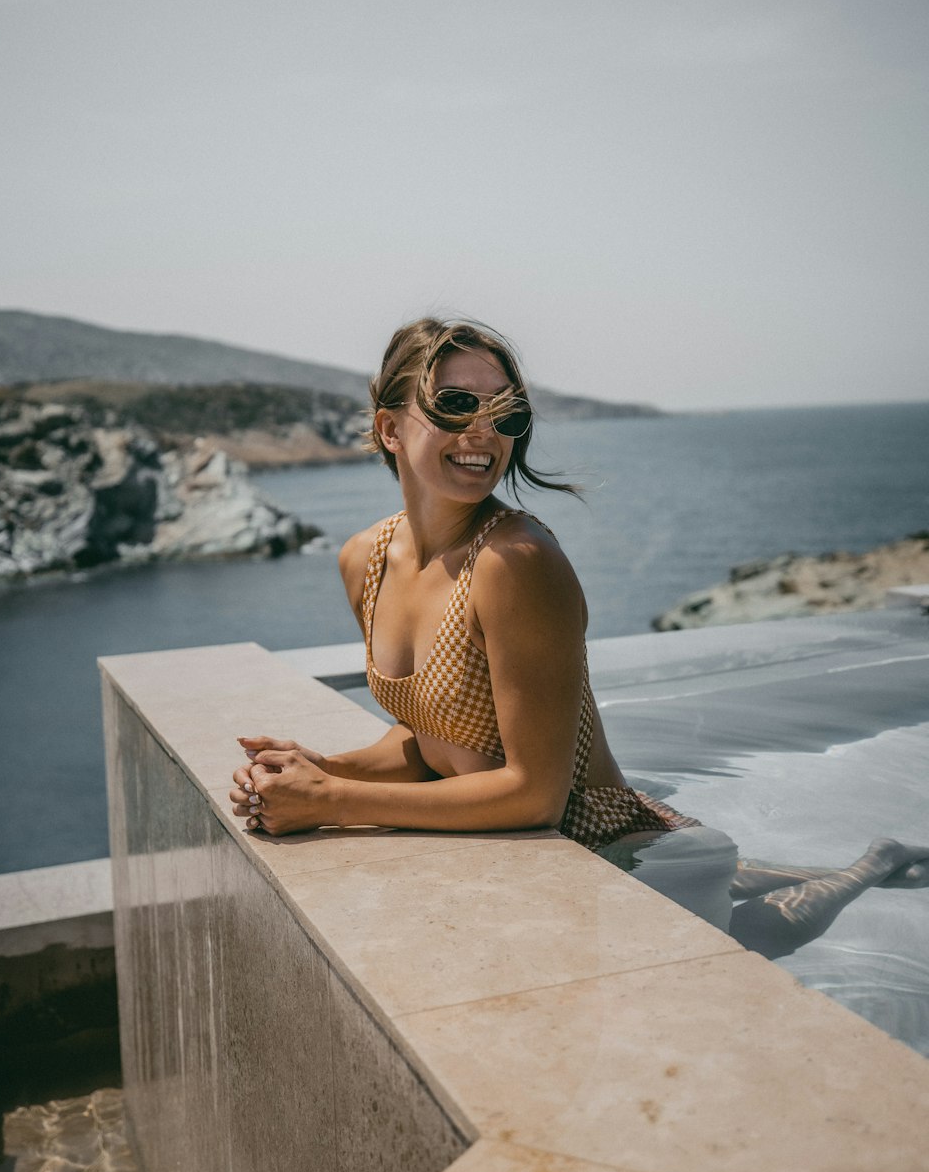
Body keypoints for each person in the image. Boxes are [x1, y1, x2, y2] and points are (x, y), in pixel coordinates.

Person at [229, 316, 928, 955]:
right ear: (389, 428)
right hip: (529, 846)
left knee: (755, 941)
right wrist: (322, 766)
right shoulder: (366, 560)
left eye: (507, 412)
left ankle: (871, 867)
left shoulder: (517, 564)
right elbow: (433, 737)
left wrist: (331, 801)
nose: (484, 431)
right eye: (455, 404)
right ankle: (862, 862)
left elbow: (533, 794)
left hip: (621, 852)